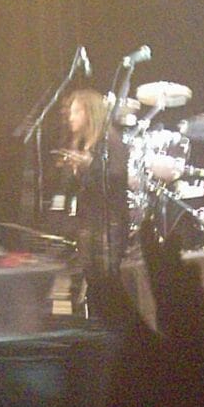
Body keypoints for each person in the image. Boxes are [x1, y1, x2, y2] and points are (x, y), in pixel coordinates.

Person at [51, 88, 129, 278]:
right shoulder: (80, 143)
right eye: (70, 112)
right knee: (90, 277)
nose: (71, 118)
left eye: (77, 112)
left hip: (108, 226)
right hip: (87, 222)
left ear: (90, 113)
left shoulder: (110, 141)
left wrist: (89, 165)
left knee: (105, 279)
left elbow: (116, 179)